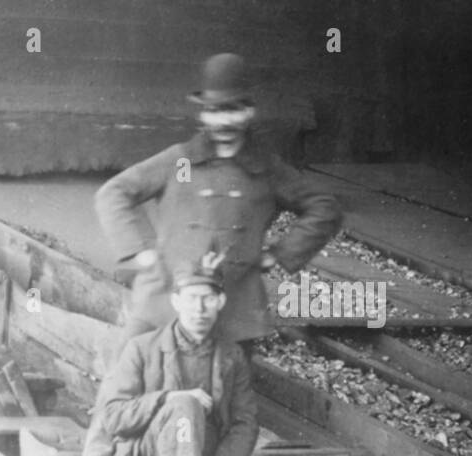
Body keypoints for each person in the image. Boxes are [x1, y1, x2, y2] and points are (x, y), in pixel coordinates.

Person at [95, 53, 342, 345]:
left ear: (249, 112)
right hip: (164, 298)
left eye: (233, 110)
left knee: (228, 385)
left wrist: (279, 253)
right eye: (214, 111)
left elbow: (325, 207)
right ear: (202, 115)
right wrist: (141, 250)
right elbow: (113, 193)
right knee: (131, 377)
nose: (223, 121)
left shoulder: (266, 169)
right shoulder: (183, 162)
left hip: (234, 307)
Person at [78, 257, 293, 456]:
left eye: (208, 299)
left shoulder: (231, 356)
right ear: (176, 301)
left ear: (221, 301)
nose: (199, 309)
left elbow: (245, 424)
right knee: (184, 405)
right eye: (192, 298)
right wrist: (168, 399)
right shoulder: (142, 349)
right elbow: (113, 415)